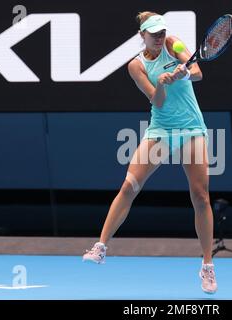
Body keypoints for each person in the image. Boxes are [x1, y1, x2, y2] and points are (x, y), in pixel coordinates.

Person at [83, 11, 217, 294]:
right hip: (161, 131)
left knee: (201, 196)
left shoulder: (174, 45)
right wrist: (162, 83)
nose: (159, 37)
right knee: (129, 185)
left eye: (161, 32)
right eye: (153, 33)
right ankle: (101, 246)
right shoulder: (136, 66)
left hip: (191, 128)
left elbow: (199, 72)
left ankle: (207, 266)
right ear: (142, 36)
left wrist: (184, 72)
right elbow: (156, 101)